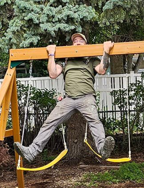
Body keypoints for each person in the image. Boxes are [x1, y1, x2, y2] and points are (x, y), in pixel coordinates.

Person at [15, 32, 115, 163]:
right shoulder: (66, 59)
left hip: (86, 98)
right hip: (68, 99)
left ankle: (102, 149)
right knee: (49, 122)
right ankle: (32, 152)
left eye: (81, 40)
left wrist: (106, 51)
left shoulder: (91, 59)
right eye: (75, 41)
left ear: (86, 44)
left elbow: (102, 70)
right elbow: (53, 73)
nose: (77, 42)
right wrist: (51, 54)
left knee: (95, 122)